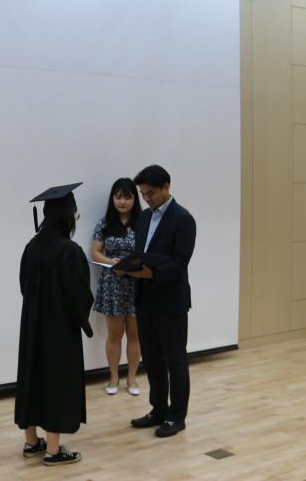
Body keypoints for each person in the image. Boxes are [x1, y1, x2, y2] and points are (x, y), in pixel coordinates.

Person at [15, 183, 94, 466]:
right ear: (66, 216)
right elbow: (79, 295)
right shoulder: (69, 251)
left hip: (32, 325)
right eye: (75, 213)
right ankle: (53, 450)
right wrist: (80, 319)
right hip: (59, 328)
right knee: (57, 382)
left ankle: (31, 442)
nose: (76, 217)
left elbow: (24, 286)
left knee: (32, 377)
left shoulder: (31, 247)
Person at [118, 165, 196, 438]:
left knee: (175, 360)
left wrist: (152, 274)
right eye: (143, 194)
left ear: (166, 187)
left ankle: (177, 416)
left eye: (150, 193)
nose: (146, 198)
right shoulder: (143, 218)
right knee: (151, 359)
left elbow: (180, 262)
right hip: (144, 299)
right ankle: (158, 410)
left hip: (171, 301)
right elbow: (141, 254)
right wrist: (126, 267)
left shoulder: (183, 219)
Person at [91, 178, 143, 396]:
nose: (122, 201)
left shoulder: (143, 222)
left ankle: (131, 378)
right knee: (114, 335)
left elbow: (149, 252)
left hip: (138, 283)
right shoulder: (104, 223)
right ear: (112, 198)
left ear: (134, 199)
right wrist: (110, 262)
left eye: (127, 197)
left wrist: (132, 265)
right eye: (118, 197)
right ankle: (113, 377)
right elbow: (95, 252)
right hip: (112, 284)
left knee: (135, 335)